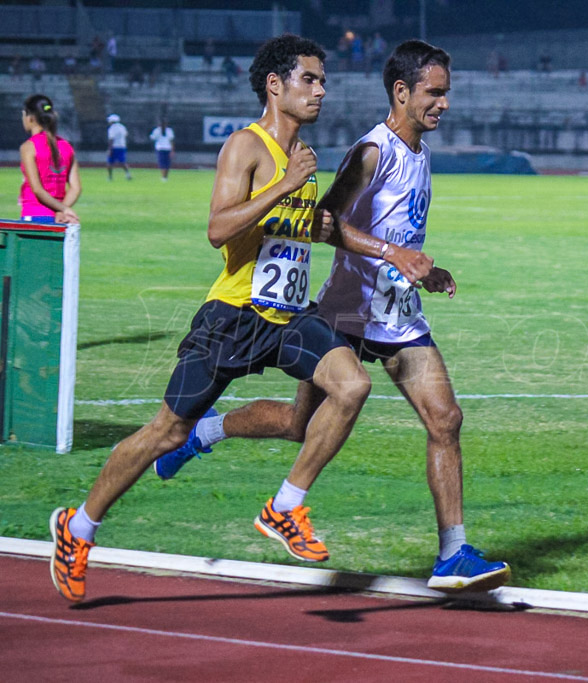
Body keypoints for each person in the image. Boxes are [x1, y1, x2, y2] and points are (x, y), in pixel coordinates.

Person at [155, 39, 511, 595]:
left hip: (397, 314)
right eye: (434, 93)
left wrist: (423, 268)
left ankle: (452, 552)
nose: (444, 103)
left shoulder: (420, 150)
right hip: (347, 310)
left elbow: (399, 230)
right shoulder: (373, 151)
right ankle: (206, 431)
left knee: (446, 419)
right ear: (402, 92)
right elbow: (325, 222)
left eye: (446, 93)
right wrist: (395, 255)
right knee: (300, 427)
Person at [48, 34, 368, 604]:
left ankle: (285, 507)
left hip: (289, 316)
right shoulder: (247, 148)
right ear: (277, 84)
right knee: (163, 432)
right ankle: (78, 529)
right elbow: (219, 229)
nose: (321, 90)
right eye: (310, 79)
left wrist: (385, 252)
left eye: (323, 81)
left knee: (352, 385)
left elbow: (300, 233)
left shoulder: (304, 161)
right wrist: (286, 185)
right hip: (233, 316)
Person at [19, 94, 80, 224]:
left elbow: (37, 189)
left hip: (34, 216)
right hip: (62, 220)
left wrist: (63, 209)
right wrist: (61, 210)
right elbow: (76, 188)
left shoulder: (29, 147)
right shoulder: (67, 146)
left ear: (30, 118)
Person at [106, 114, 131, 181]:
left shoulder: (112, 128)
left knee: (110, 162)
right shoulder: (122, 127)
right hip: (122, 146)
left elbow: (111, 139)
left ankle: (110, 177)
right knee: (122, 162)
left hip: (114, 147)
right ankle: (128, 174)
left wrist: (109, 149)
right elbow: (126, 134)